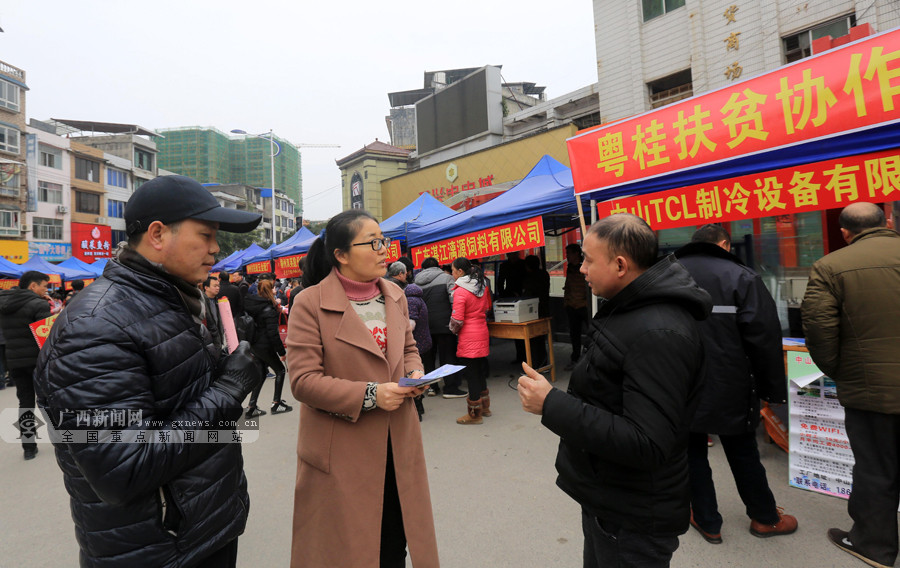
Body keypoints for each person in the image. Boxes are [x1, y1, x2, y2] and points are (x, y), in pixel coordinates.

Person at [33, 174, 264, 568]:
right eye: (206, 235)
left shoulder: (173, 298)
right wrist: (228, 390)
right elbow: (122, 468)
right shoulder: (95, 326)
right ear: (157, 235)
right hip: (158, 549)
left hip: (204, 528)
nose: (215, 250)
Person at [517, 213, 712, 568]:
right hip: (612, 500)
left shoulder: (657, 332)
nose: (581, 269)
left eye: (589, 261)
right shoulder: (630, 310)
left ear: (620, 264)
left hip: (633, 516)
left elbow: (647, 441)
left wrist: (551, 403)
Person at [289, 209, 439, 567]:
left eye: (383, 240)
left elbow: (407, 348)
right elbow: (303, 381)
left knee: (393, 542)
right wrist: (371, 395)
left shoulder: (395, 294)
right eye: (372, 243)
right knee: (349, 550)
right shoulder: (309, 303)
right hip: (342, 447)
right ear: (340, 255)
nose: (383, 249)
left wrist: (415, 372)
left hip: (397, 444)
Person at [675, 224, 797, 544]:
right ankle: (765, 517)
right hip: (731, 383)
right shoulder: (742, 277)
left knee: (692, 452)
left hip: (681, 381)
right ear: (724, 244)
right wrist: (772, 389)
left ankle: (706, 520)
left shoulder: (668, 274)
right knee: (743, 451)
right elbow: (763, 338)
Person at [802, 202, 900, 568]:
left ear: (845, 232)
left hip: (870, 390)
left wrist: (842, 370)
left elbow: (818, 329)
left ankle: (875, 547)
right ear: (887, 221)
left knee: (876, 469)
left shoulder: (830, 266)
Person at [0, 270, 52, 460]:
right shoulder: (38, 304)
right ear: (33, 286)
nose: (46, 289)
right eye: (44, 286)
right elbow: (46, 339)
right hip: (38, 361)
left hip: (14, 361)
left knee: (26, 403)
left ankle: (29, 447)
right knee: (49, 401)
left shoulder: (4, 304)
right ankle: (61, 439)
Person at [450, 256, 493, 425]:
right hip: (482, 332)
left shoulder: (461, 290)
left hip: (468, 336)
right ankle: (486, 407)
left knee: (471, 374)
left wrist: (452, 330)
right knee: (480, 370)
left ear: (460, 272)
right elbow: (488, 308)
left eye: (453, 271)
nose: (452, 274)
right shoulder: (481, 286)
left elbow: (457, 319)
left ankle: (475, 414)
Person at [415, 256, 465, 398]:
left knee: (428, 357)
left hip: (424, 326)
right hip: (444, 324)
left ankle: (431, 387)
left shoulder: (416, 283)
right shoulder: (446, 278)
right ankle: (450, 388)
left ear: (423, 268)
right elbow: (453, 301)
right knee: (447, 355)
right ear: (438, 266)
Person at [245, 278, 292, 416]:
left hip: (255, 344)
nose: (276, 290)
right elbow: (273, 334)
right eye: (273, 288)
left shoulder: (254, 304)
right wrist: (281, 352)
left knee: (261, 373)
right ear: (270, 290)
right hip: (265, 345)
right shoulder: (268, 309)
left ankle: (251, 406)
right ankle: (276, 403)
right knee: (280, 370)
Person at [405, 281, 432, 421]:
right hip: (424, 340)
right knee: (422, 372)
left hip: (417, 343)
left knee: (415, 377)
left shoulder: (411, 301)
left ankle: (418, 409)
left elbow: (410, 324)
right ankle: (420, 407)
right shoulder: (420, 299)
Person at [563, 243, 589, 370]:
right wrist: (567, 302)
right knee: (574, 335)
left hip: (584, 306)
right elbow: (568, 286)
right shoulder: (569, 268)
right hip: (572, 306)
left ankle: (590, 359)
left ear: (576, 254)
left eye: (568, 253)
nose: (567, 256)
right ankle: (575, 359)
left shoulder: (585, 267)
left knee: (591, 333)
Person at [522, 254, 551, 366]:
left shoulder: (530, 278)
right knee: (540, 340)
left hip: (533, 312)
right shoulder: (544, 274)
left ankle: (535, 365)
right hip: (544, 310)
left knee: (533, 340)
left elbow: (528, 294)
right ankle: (543, 363)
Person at [201, 275, 225, 353]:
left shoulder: (217, 300)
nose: (218, 288)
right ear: (206, 287)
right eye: (215, 286)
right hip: (208, 342)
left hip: (217, 339)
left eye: (218, 286)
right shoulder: (201, 302)